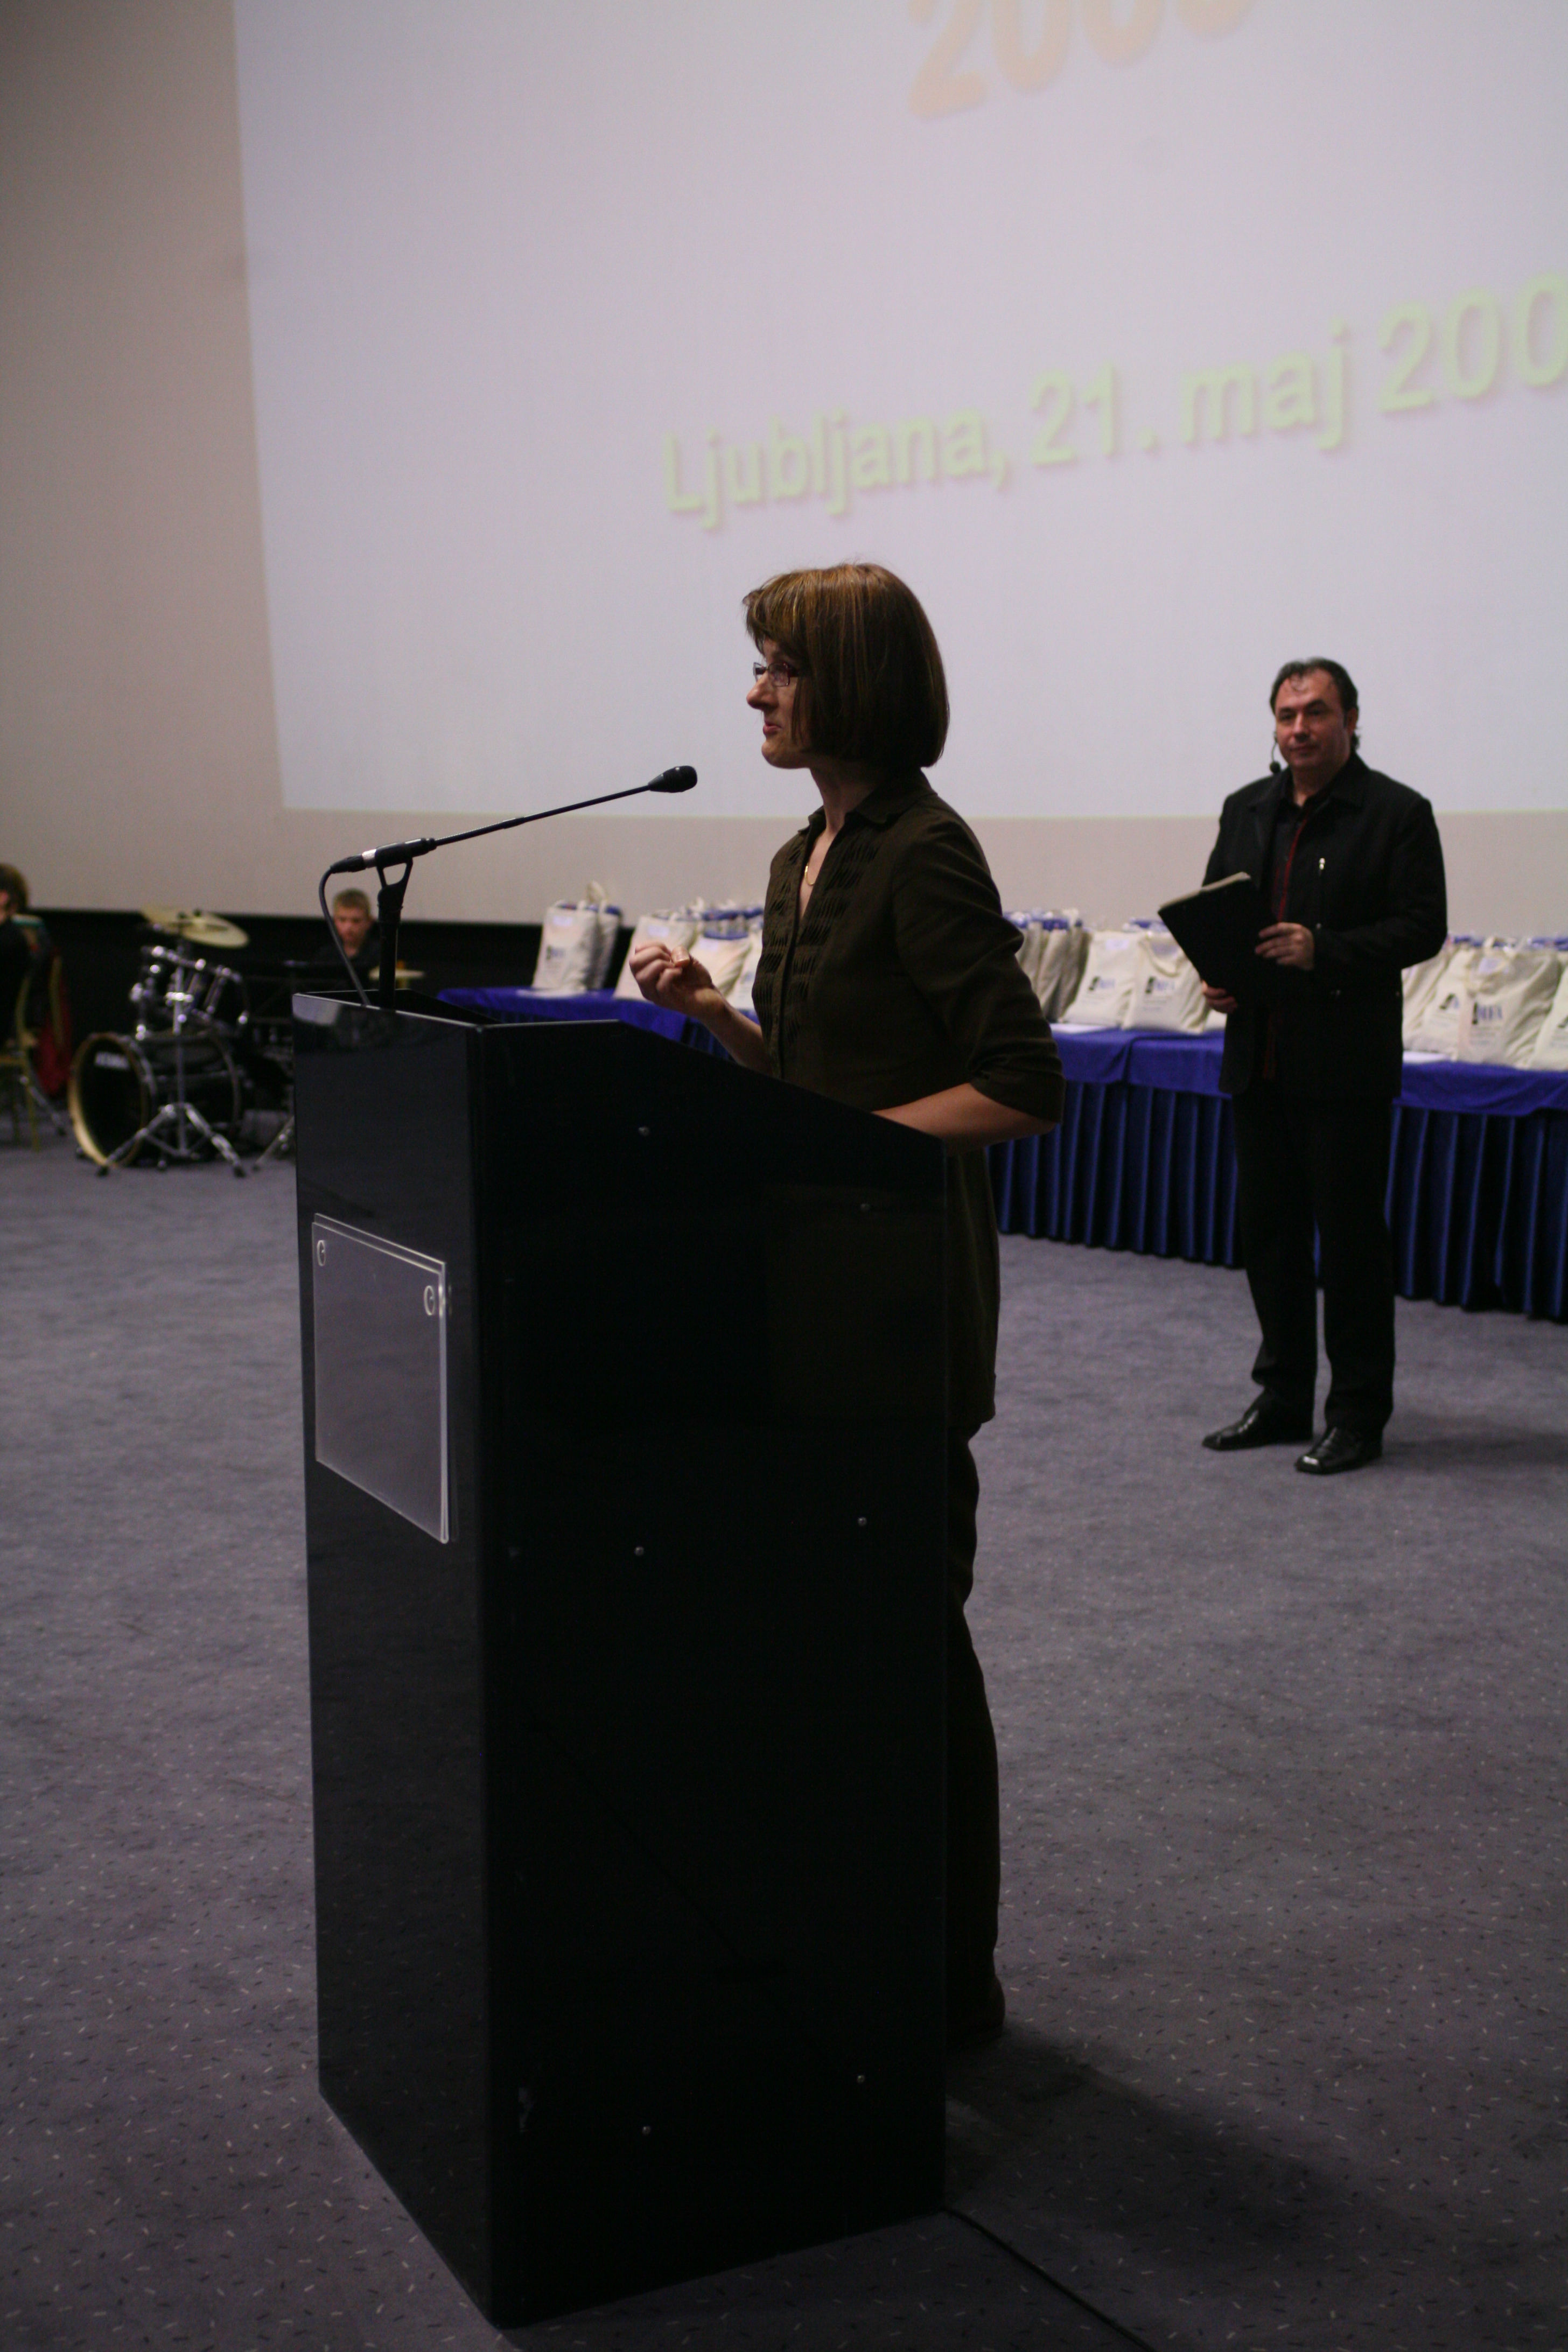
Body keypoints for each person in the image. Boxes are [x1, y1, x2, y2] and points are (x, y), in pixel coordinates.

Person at [631, 563, 1065, 2046]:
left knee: (913, 1648)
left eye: (780, 666)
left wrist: (853, 1149)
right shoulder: (800, 853)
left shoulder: (924, 853)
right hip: (808, 1288)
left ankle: (954, 1984)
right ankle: (857, 1939)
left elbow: (1022, 1083)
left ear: (852, 682)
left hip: (901, 1303)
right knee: (829, 1642)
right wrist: (717, 1020)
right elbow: (816, 1084)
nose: (755, 690)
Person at [1199, 661, 1446, 1474]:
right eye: (1285, 715)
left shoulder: (1398, 813)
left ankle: (1358, 1415)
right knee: (1269, 1242)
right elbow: (1216, 908)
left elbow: (1423, 927)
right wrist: (1219, 975)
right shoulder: (1245, 808)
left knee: (1349, 1250)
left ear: (1351, 720)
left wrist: (1324, 949)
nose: (1298, 729)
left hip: (1344, 1069)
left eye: (1315, 713)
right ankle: (1281, 1399)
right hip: (1259, 1061)